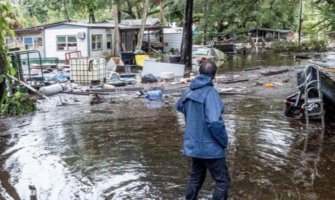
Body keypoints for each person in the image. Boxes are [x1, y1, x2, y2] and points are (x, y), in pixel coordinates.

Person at [176, 61, 230, 200]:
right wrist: (224, 142)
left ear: (199, 73)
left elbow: (179, 106)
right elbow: (214, 121)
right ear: (214, 75)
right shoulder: (211, 93)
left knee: (195, 179)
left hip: (194, 146)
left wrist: (193, 114)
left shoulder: (189, 90)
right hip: (211, 148)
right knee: (222, 181)